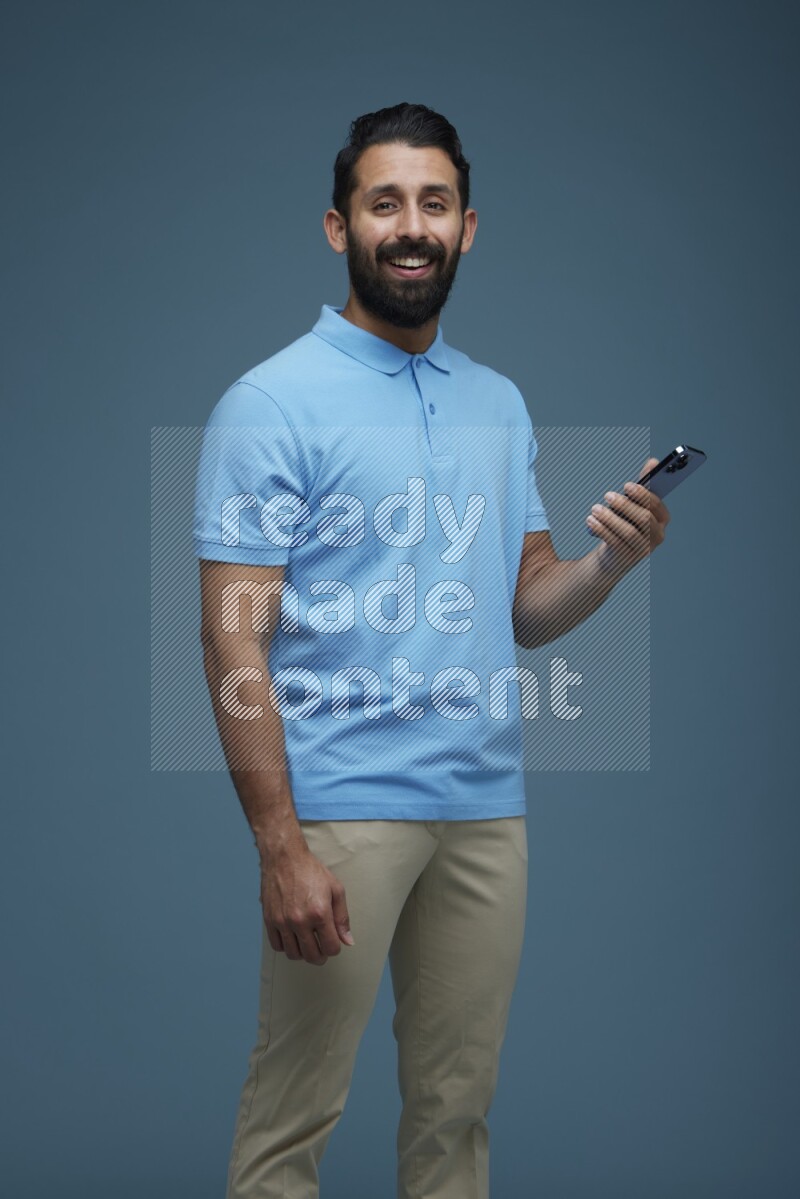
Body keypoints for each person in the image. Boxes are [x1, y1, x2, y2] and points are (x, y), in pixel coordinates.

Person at [193, 101, 670, 1199]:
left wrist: (609, 562)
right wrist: (279, 846)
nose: (410, 224)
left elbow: (525, 605)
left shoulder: (495, 402)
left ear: (466, 228)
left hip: (483, 810)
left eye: (433, 202)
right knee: (289, 1124)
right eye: (384, 202)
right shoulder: (270, 403)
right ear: (337, 226)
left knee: (456, 1117)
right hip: (340, 809)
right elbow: (231, 634)